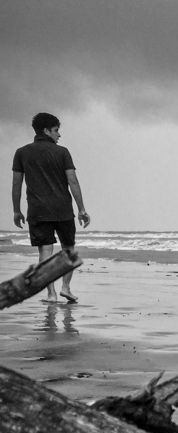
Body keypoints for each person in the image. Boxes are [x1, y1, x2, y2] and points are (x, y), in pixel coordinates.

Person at [12, 112, 90, 304]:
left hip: (37, 211)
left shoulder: (22, 152)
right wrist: (81, 209)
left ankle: (51, 294)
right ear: (46, 130)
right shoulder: (62, 152)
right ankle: (66, 288)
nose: (59, 135)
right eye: (56, 130)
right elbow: (73, 180)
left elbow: (16, 184)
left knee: (45, 253)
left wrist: (16, 210)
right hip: (62, 209)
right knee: (68, 250)